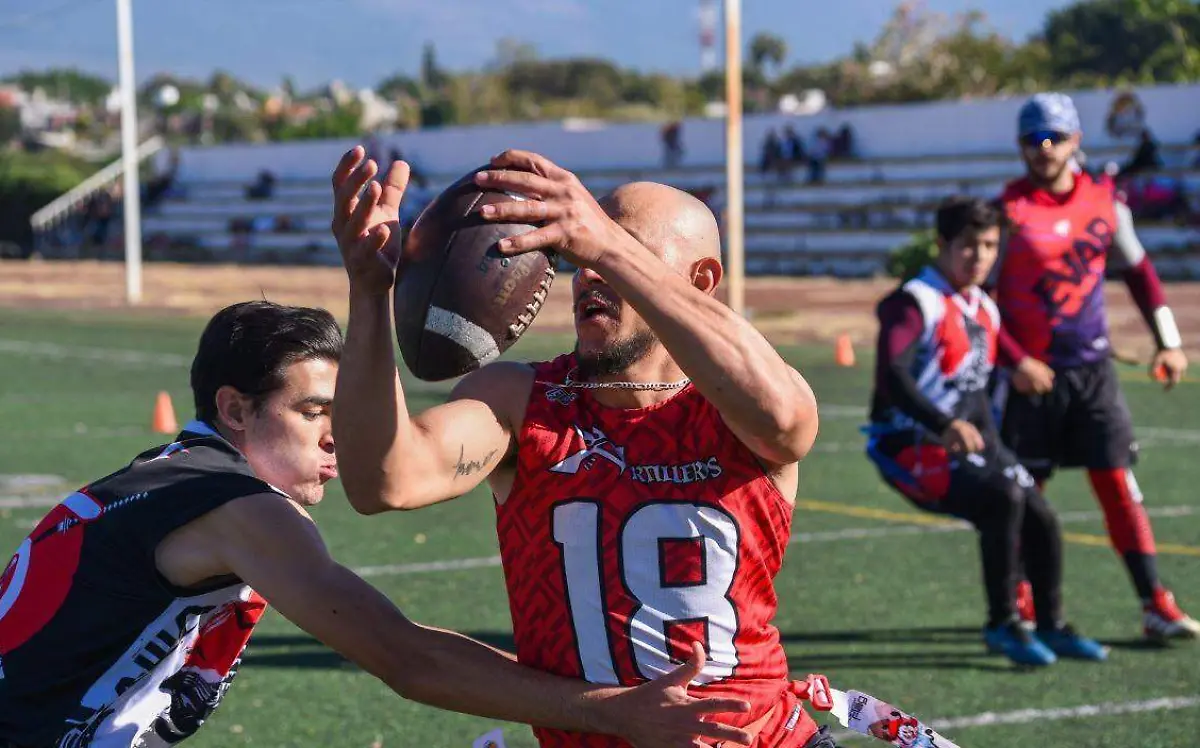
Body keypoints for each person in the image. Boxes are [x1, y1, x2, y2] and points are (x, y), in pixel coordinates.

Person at [0, 300, 758, 748]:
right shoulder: (239, 508)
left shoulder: (169, 475)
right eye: (313, 413)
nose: (339, 437)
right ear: (234, 409)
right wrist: (614, 711)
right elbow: (405, 658)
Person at [331, 146, 836, 747]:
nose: (589, 272)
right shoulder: (524, 401)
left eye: (622, 248)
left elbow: (785, 422)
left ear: (700, 281)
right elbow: (383, 480)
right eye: (582, 257)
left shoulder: (741, 406)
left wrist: (605, 244)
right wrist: (369, 293)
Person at [865, 196, 1106, 667]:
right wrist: (943, 424)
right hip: (908, 447)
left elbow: (986, 369)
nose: (980, 257)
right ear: (942, 245)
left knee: (1041, 515)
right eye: (968, 245)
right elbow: (891, 376)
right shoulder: (914, 302)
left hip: (967, 442)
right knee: (1003, 499)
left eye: (991, 246)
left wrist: (1020, 367)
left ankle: (1051, 625)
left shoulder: (981, 304)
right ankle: (1002, 623)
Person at [992, 92, 1198, 641]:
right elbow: (980, 302)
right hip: (1029, 379)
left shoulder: (1107, 204)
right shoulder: (1005, 211)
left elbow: (1140, 274)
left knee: (1118, 486)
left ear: (1076, 140)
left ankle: (1155, 603)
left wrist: (1169, 342)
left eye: (1054, 137)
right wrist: (1015, 361)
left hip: (1092, 373)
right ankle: (1021, 600)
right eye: (1033, 139)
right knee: (1022, 494)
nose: (1044, 148)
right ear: (1020, 146)